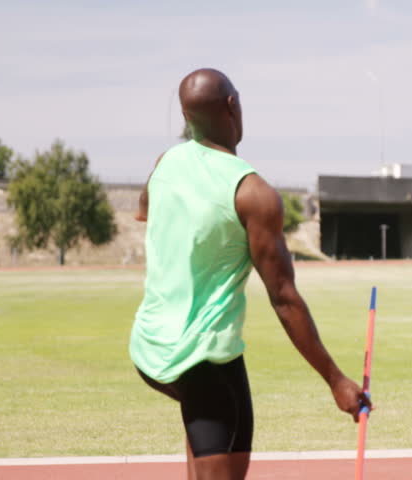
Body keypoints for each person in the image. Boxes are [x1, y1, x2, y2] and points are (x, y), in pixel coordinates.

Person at [130, 68, 369, 480]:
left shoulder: (165, 163)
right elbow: (283, 297)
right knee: (217, 444)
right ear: (232, 106)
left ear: (187, 118)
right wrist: (336, 381)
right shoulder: (253, 194)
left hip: (156, 344)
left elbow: (144, 210)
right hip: (197, 353)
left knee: (222, 441)